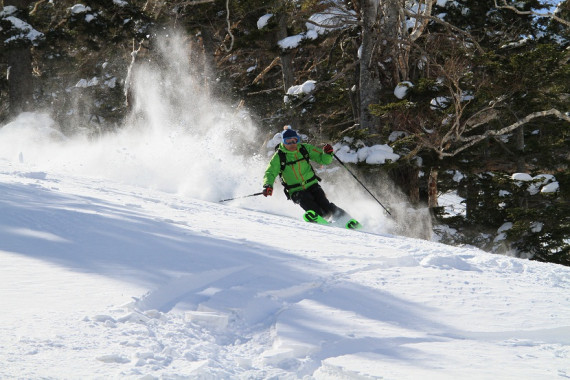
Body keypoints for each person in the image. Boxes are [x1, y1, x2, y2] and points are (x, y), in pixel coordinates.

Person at [262, 127, 348, 222]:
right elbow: (270, 172)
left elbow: (323, 159)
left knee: (325, 205)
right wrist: (268, 185)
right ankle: (320, 219)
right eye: (288, 142)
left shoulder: (304, 149)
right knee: (307, 201)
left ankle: (344, 219)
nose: (292, 144)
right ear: (283, 142)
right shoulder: (279, 157)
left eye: (294, 141)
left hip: (312, 185)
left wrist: (328, 154)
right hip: (296, 190)